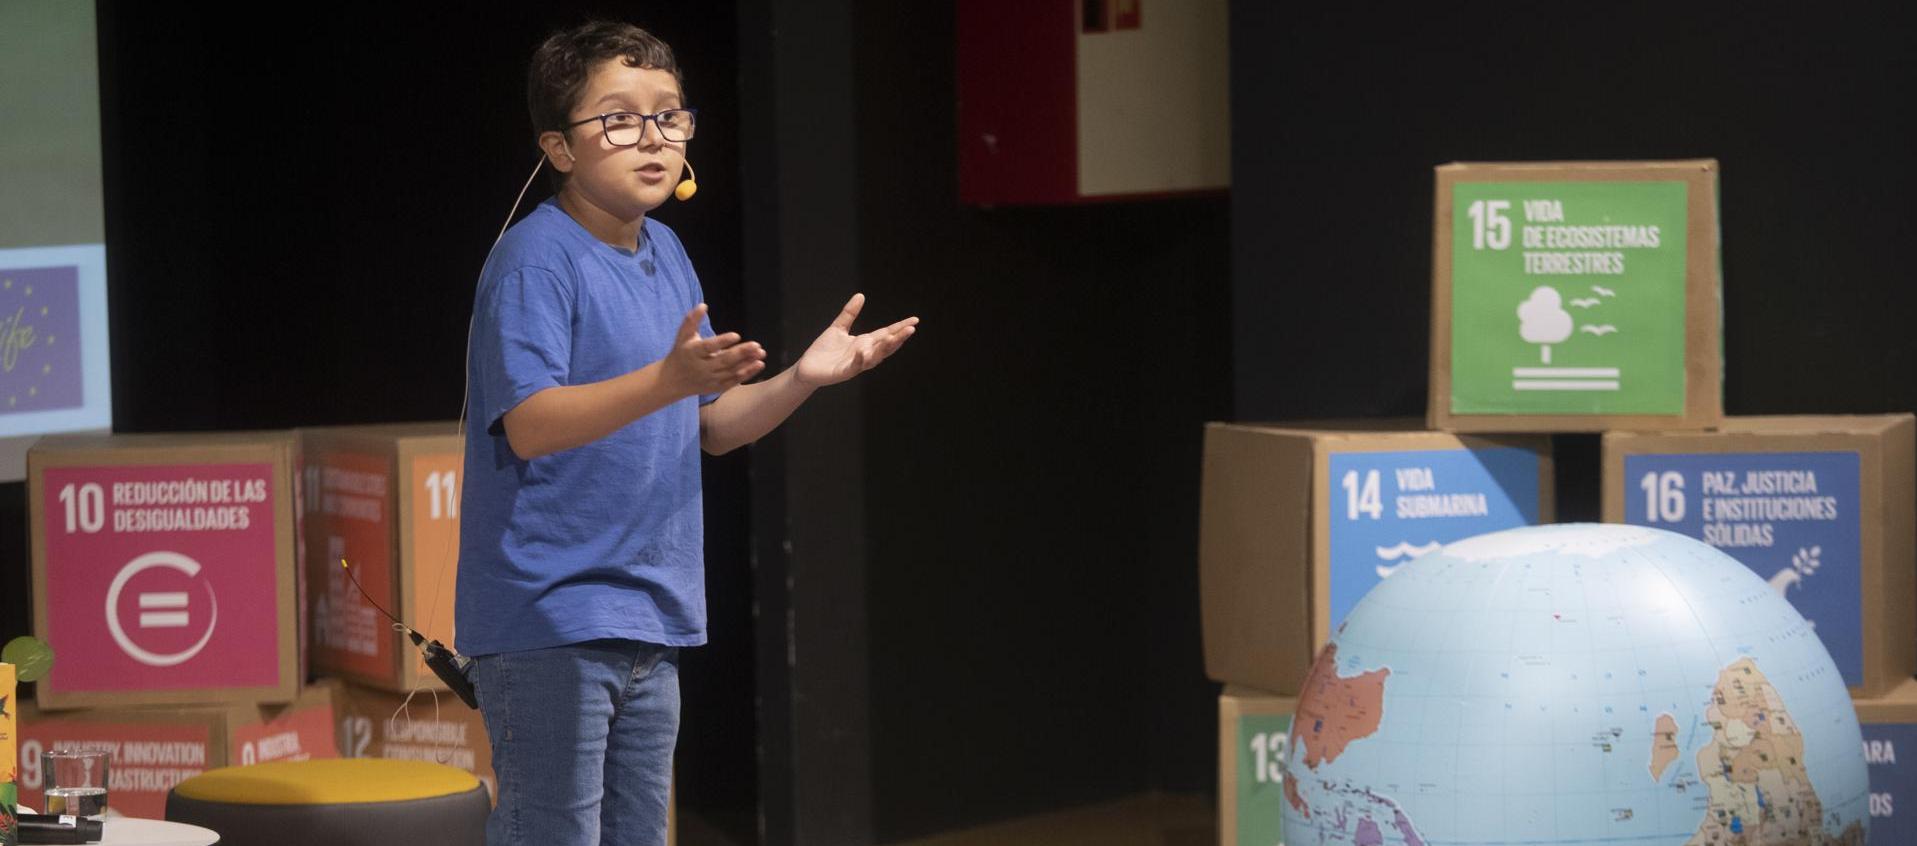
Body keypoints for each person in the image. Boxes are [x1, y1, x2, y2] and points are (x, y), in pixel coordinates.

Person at [455, 20, 918, 845]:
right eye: (620, 118)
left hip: (651, 614)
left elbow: (709, 428)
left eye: (669, 115)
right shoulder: (536, 260)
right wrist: (665, 380)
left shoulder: (666, 251)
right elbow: (528, 425)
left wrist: (803, 379)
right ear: (559, 149)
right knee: (549, 831)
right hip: (553, 614)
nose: (653, 137)